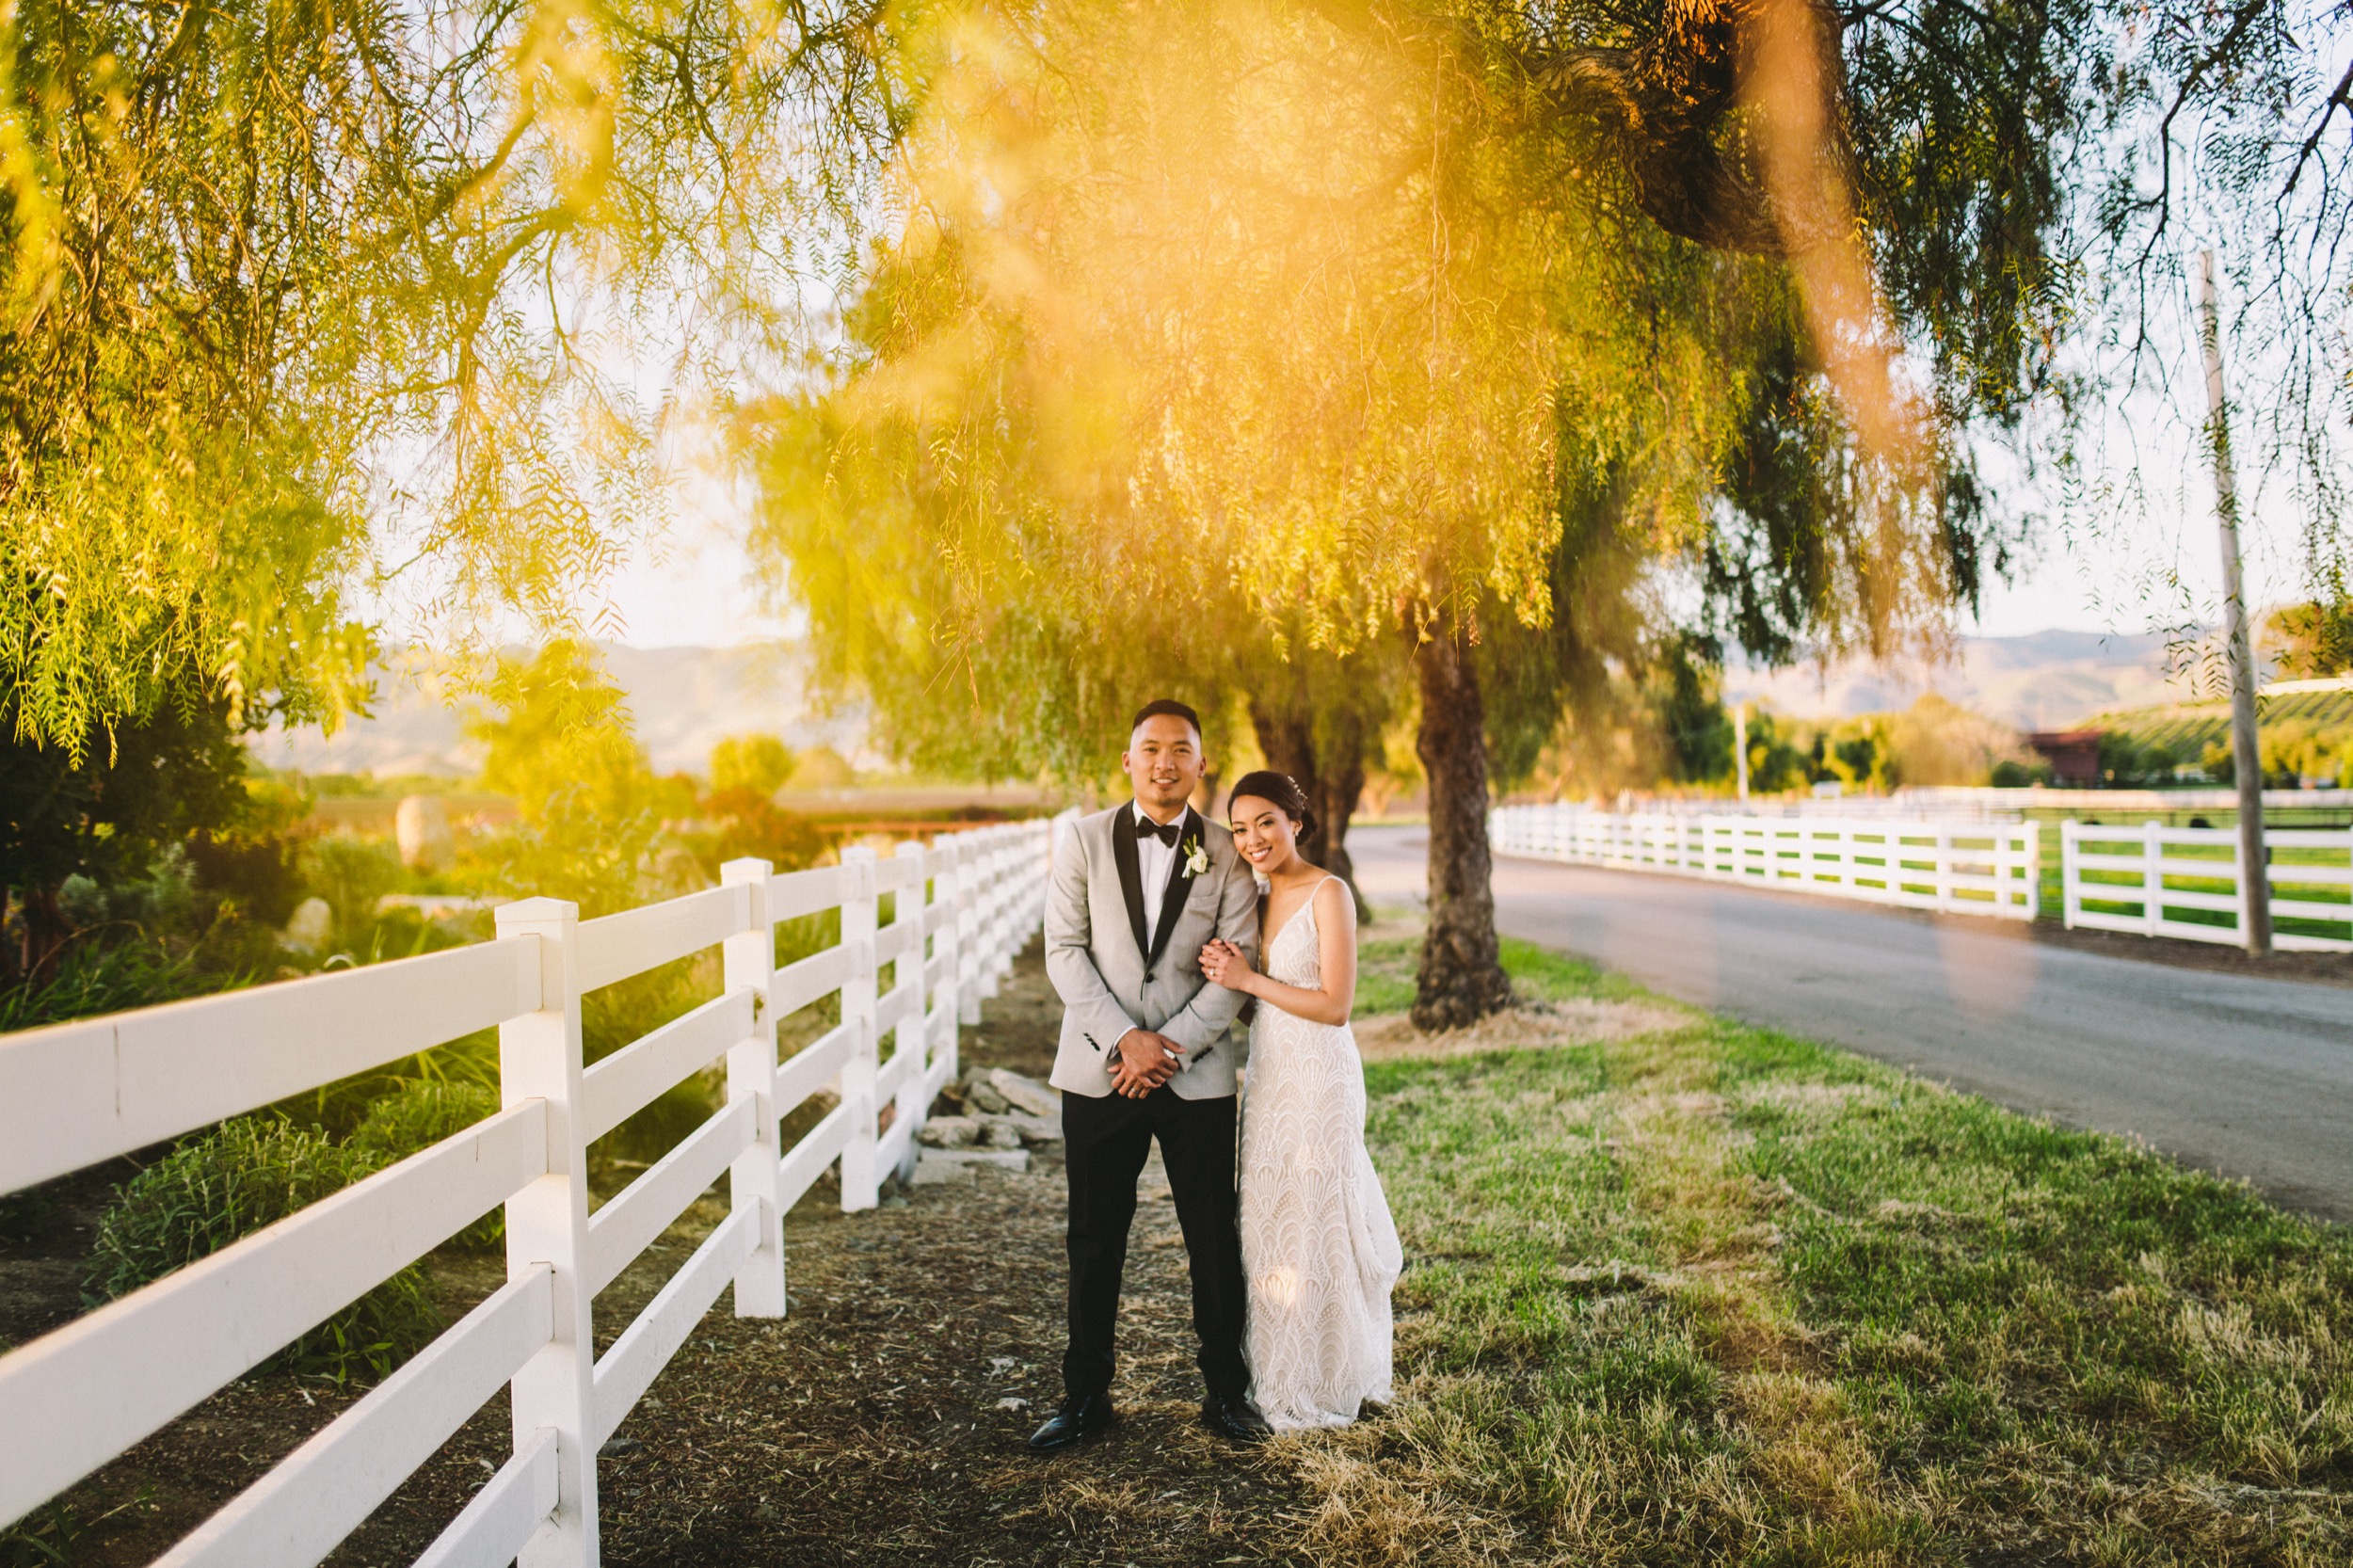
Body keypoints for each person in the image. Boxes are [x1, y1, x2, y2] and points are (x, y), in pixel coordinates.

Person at [1029, 699, 1273, 1452]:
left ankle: (1227, 1396)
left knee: (1211, 1237)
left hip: (1194, 1077)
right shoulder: (1081, 839)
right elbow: (1064, 950)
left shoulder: (1229, 854)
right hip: (1100, 1072)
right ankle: (1085, 1398)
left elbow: (1236, 968)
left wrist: (1166, 1047)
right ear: (1128, 760)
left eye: (1181, 750)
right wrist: (1124, 1041)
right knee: (1094, 1240)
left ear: (1203, 764)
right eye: (1150, 748)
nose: (1165, 762)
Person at [1198, 771, 1401, 1432]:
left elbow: (1335, 1006)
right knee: (1269, 1218)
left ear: (1296, 822)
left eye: (1266, 822)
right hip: (1269, 1075)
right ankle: (1281, 1372)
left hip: (1321, 1077)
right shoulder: (1251, 900)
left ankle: (1333, 1373)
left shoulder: (1328, 891)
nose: (1253, 838)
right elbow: (1249, 997)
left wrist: (1250, 978)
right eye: (1240, 828)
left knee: (1318, 1216)